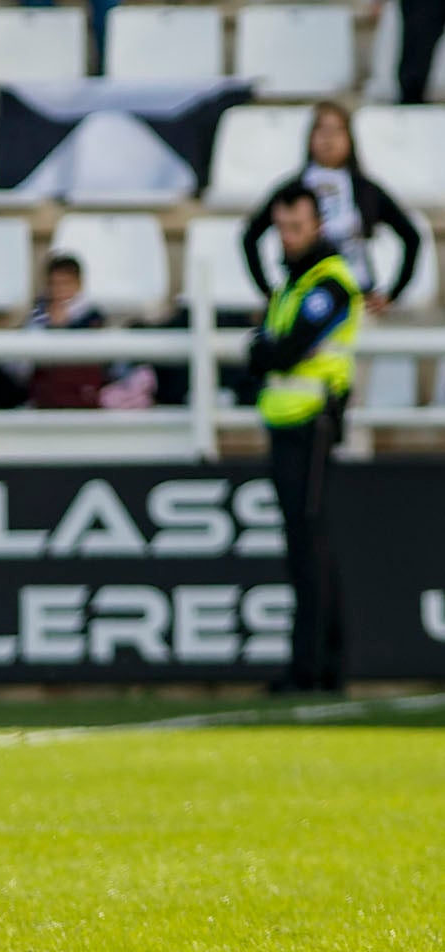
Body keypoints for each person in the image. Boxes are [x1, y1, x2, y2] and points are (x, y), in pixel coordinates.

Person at [247, 184, 360, 695]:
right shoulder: (293, 283)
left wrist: (265, 349)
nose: (288, 237)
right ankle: (322, 665)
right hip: (286, 422)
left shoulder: (330, 283)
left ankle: (312, 668)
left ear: (318, 225)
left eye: (297, 226)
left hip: (312, 422)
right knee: (304, 546)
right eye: (282, 228)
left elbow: (284, 351)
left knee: (308, 548)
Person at [242, 102, 421, 318]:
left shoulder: (365, 189)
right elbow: (250, 235)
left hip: (355, 297)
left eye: (337, 130)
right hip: (303, 296)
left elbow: (411, 236)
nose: (328, 139)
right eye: (321, 130)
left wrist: (392, 294)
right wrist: (268, 291)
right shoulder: (293, 190)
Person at [0, 251, 108, 410]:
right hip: (32, 378)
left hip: (72, 384)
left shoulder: (91, 317)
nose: (59, 290)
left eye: (65, 284)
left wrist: (60, 326)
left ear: (78, 284)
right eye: (54, 284)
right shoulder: (39, 313)